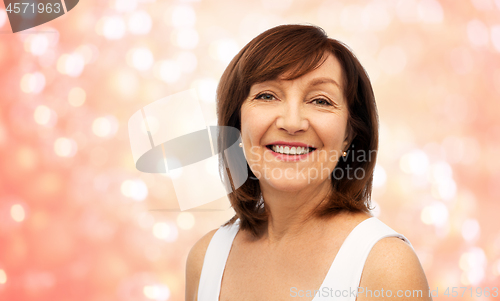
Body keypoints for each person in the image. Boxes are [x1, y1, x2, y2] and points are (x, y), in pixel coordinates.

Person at [185, 24, 432, 301]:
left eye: (320, 101)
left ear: (349, 135)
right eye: (267, 95)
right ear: (237, 125)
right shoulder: (205, 258)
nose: (292, 123)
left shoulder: (385, 266)